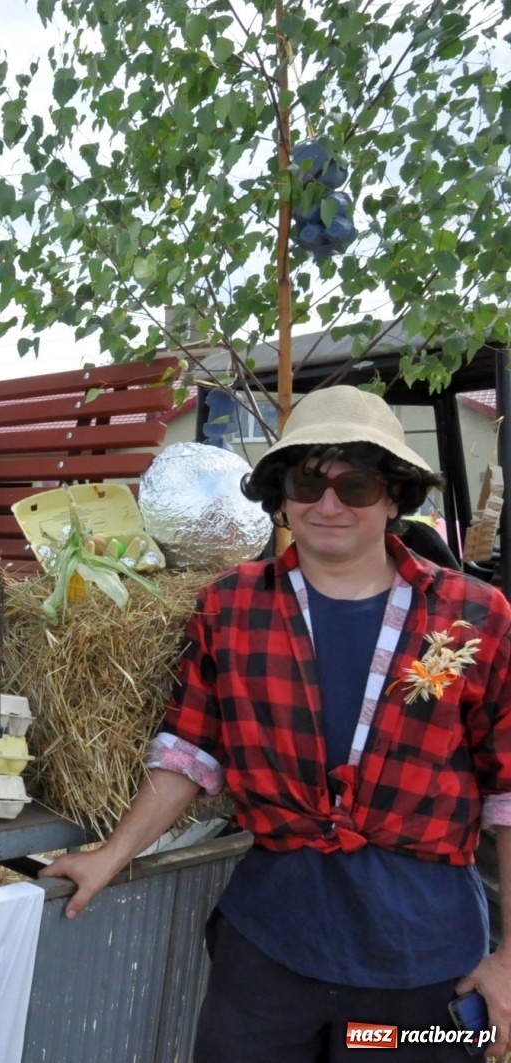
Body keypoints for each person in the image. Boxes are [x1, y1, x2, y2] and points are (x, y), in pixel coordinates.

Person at [40, 386, 511, 1061]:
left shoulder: (474, 616)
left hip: (420, 960)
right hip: (272, 947)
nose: (328, 504)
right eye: (306, 480)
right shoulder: (230, 606)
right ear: (280, 493)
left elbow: (508, 793)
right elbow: (189, 750)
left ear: (393, 497)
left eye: (355, 484)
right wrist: (112, 854)